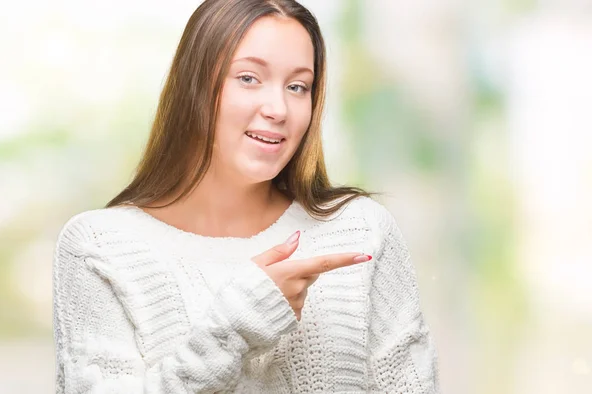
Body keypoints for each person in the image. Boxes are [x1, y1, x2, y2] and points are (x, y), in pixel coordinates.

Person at [52, 0, 439, 392]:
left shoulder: (360, 230)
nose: (278, 109)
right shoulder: (99, 248)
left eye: (297, 86)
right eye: (249, 78)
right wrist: (235, 325)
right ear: (194, 85)